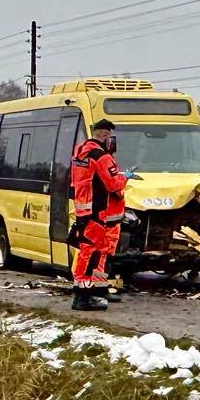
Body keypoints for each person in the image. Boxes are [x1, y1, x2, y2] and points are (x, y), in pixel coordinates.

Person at [68, 119, 129, 311]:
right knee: (91, 255)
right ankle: (84, 298)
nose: (110, 140)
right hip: (97, 211)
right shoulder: (101, 156)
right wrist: (125, 177)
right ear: (104, 135)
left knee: (90, 252)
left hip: (83, 209)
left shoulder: (80, 152)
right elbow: (113, 184)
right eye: (109, 136)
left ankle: (92, 292)